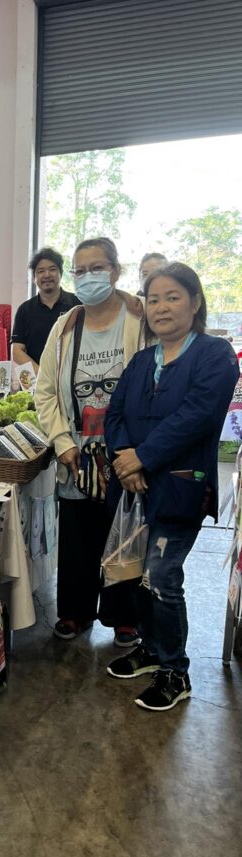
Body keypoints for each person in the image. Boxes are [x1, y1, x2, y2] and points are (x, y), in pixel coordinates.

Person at [105, 263, 238, 711]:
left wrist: (143, 456)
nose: (161, 307)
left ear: (195, 302)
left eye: (173, 297)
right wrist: (125, 458)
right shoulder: (143, 360)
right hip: (136, 486)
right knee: (137, 575)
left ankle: (175, 671)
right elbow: (116, 413)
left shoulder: (215, 355)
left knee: (162, 576)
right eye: (154, 299)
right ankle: (150, 648)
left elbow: (198, 415)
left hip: (182, 488)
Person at [35, 236, 144, 645]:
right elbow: (45, 390)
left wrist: (140, 450)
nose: (88, 277)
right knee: (78, 535)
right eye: (80, 271)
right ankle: (75, 612)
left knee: (125, 531)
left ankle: (124, 617)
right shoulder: (66, 325)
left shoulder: (139, 319)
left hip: (125, 451)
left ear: (115, 271)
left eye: (97, 268)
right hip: (78, 452)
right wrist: (62, 441)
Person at [11, 248, 80, 373]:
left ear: (61, 273)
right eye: (41, 271)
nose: (47, 275)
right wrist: (42, 375)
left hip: (72, 376)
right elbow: (16, 350)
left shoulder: (77, 304)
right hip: (36, 377)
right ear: (34, 277)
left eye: (52, 269)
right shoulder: (24, 310)